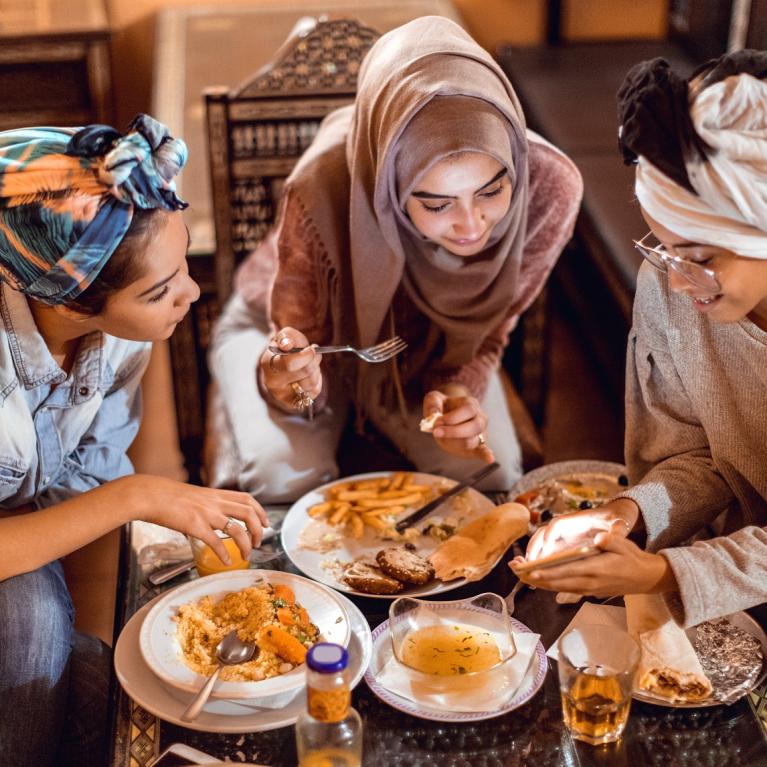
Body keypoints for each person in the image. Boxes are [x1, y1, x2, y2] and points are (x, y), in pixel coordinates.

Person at [209, 16, 583, 502]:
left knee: (489, 477)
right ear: (388, 188)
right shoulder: (321, 188)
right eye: (436, 204)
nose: (472, 226)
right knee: (285, 480)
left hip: (427, 350)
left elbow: (490, 329)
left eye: (492, 190)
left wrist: (456, 391)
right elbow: (300, 360)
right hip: (283, 330)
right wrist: (289, 382)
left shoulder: (549, 187)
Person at [0, 115, 268, 767]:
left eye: (181, 267)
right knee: (34, 626)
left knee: (103, 697)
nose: (193, 293)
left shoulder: (118, 338)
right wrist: (139, 494)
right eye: (161, 289)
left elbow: (78, 489)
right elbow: (107, 499)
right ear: (70, 305)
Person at [513, 50, 767, 629]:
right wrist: (624, 514)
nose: (677, 280)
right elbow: (699, 454)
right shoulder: (671, 281)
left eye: (700, 257)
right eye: (664, 247)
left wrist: (665, 575)